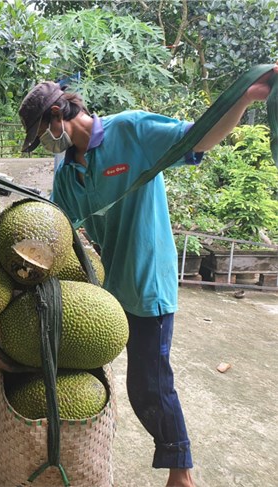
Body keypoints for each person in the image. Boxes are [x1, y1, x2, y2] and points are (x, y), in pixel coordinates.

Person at [18, 65, 277, 487]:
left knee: (150, 385)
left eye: (43, 134)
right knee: (94, 372)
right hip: (110, 289)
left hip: (148, 284)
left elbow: (199, 139)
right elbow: (56, 227)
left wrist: (244, 98)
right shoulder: (68, 173)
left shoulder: (131, 130)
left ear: (56, 117)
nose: (46, 144)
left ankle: (182, 473)